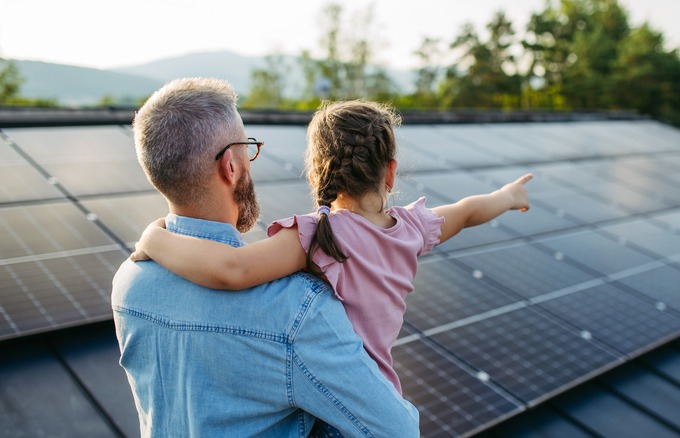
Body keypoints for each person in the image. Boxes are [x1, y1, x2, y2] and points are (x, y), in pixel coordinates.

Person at [133, 97, 532, 390]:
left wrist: (154, 238)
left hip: (333, 409)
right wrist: (508, 196)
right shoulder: (412, 229)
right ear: (390, 173)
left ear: (317, 174)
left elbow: (231, 270)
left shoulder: (319, 237)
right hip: (381, 393)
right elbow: (466, 211)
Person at [112, 78, 420, 438]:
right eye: (249, 148)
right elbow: (397, 432)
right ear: (230, 166)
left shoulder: (128, 284)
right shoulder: (297, 310)